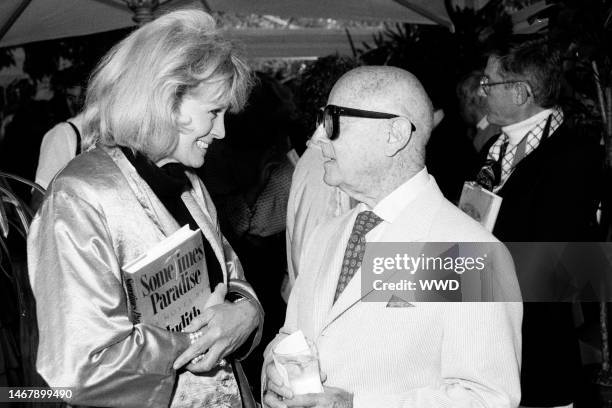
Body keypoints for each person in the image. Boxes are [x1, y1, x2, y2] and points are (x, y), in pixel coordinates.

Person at [27, 10, 264, 408]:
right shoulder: (79, 196)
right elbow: (80, 368)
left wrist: (248, 312)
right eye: (213, 112)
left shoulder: (190, 187)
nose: (221, 132)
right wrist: (197, 340)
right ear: (166, 100)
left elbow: (230, 275)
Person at [263, 66, 522, 408]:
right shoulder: (327, 235)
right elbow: (291, 336)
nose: (316, 139)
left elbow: (487, 398)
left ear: (394, 134)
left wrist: (357, 405)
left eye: (332, 121)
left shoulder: (469, 252)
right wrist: (274, 375)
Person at [476, 40, 602, 408]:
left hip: (540, 345)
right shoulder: (493, 149)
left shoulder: (573, 156)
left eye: (488, 83)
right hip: (492, 333)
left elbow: (557, 267)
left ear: (520, 93)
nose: (481, 93)